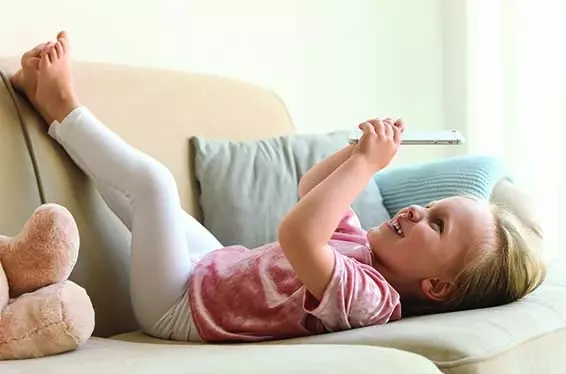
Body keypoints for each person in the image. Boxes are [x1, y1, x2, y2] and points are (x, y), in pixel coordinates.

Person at [10, 32, 547, 343]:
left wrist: (365, 166)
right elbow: (312, 186)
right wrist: (355, 150)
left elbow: (298, 235)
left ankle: (62, 107)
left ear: (438, 287)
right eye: (430, 206)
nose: (415, 210)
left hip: (180, 311)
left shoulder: (370, 299)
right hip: (209, 271)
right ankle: (60, 123)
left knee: (153, 185)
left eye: (437, 223)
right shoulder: (364, 249)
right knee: (150, 200)